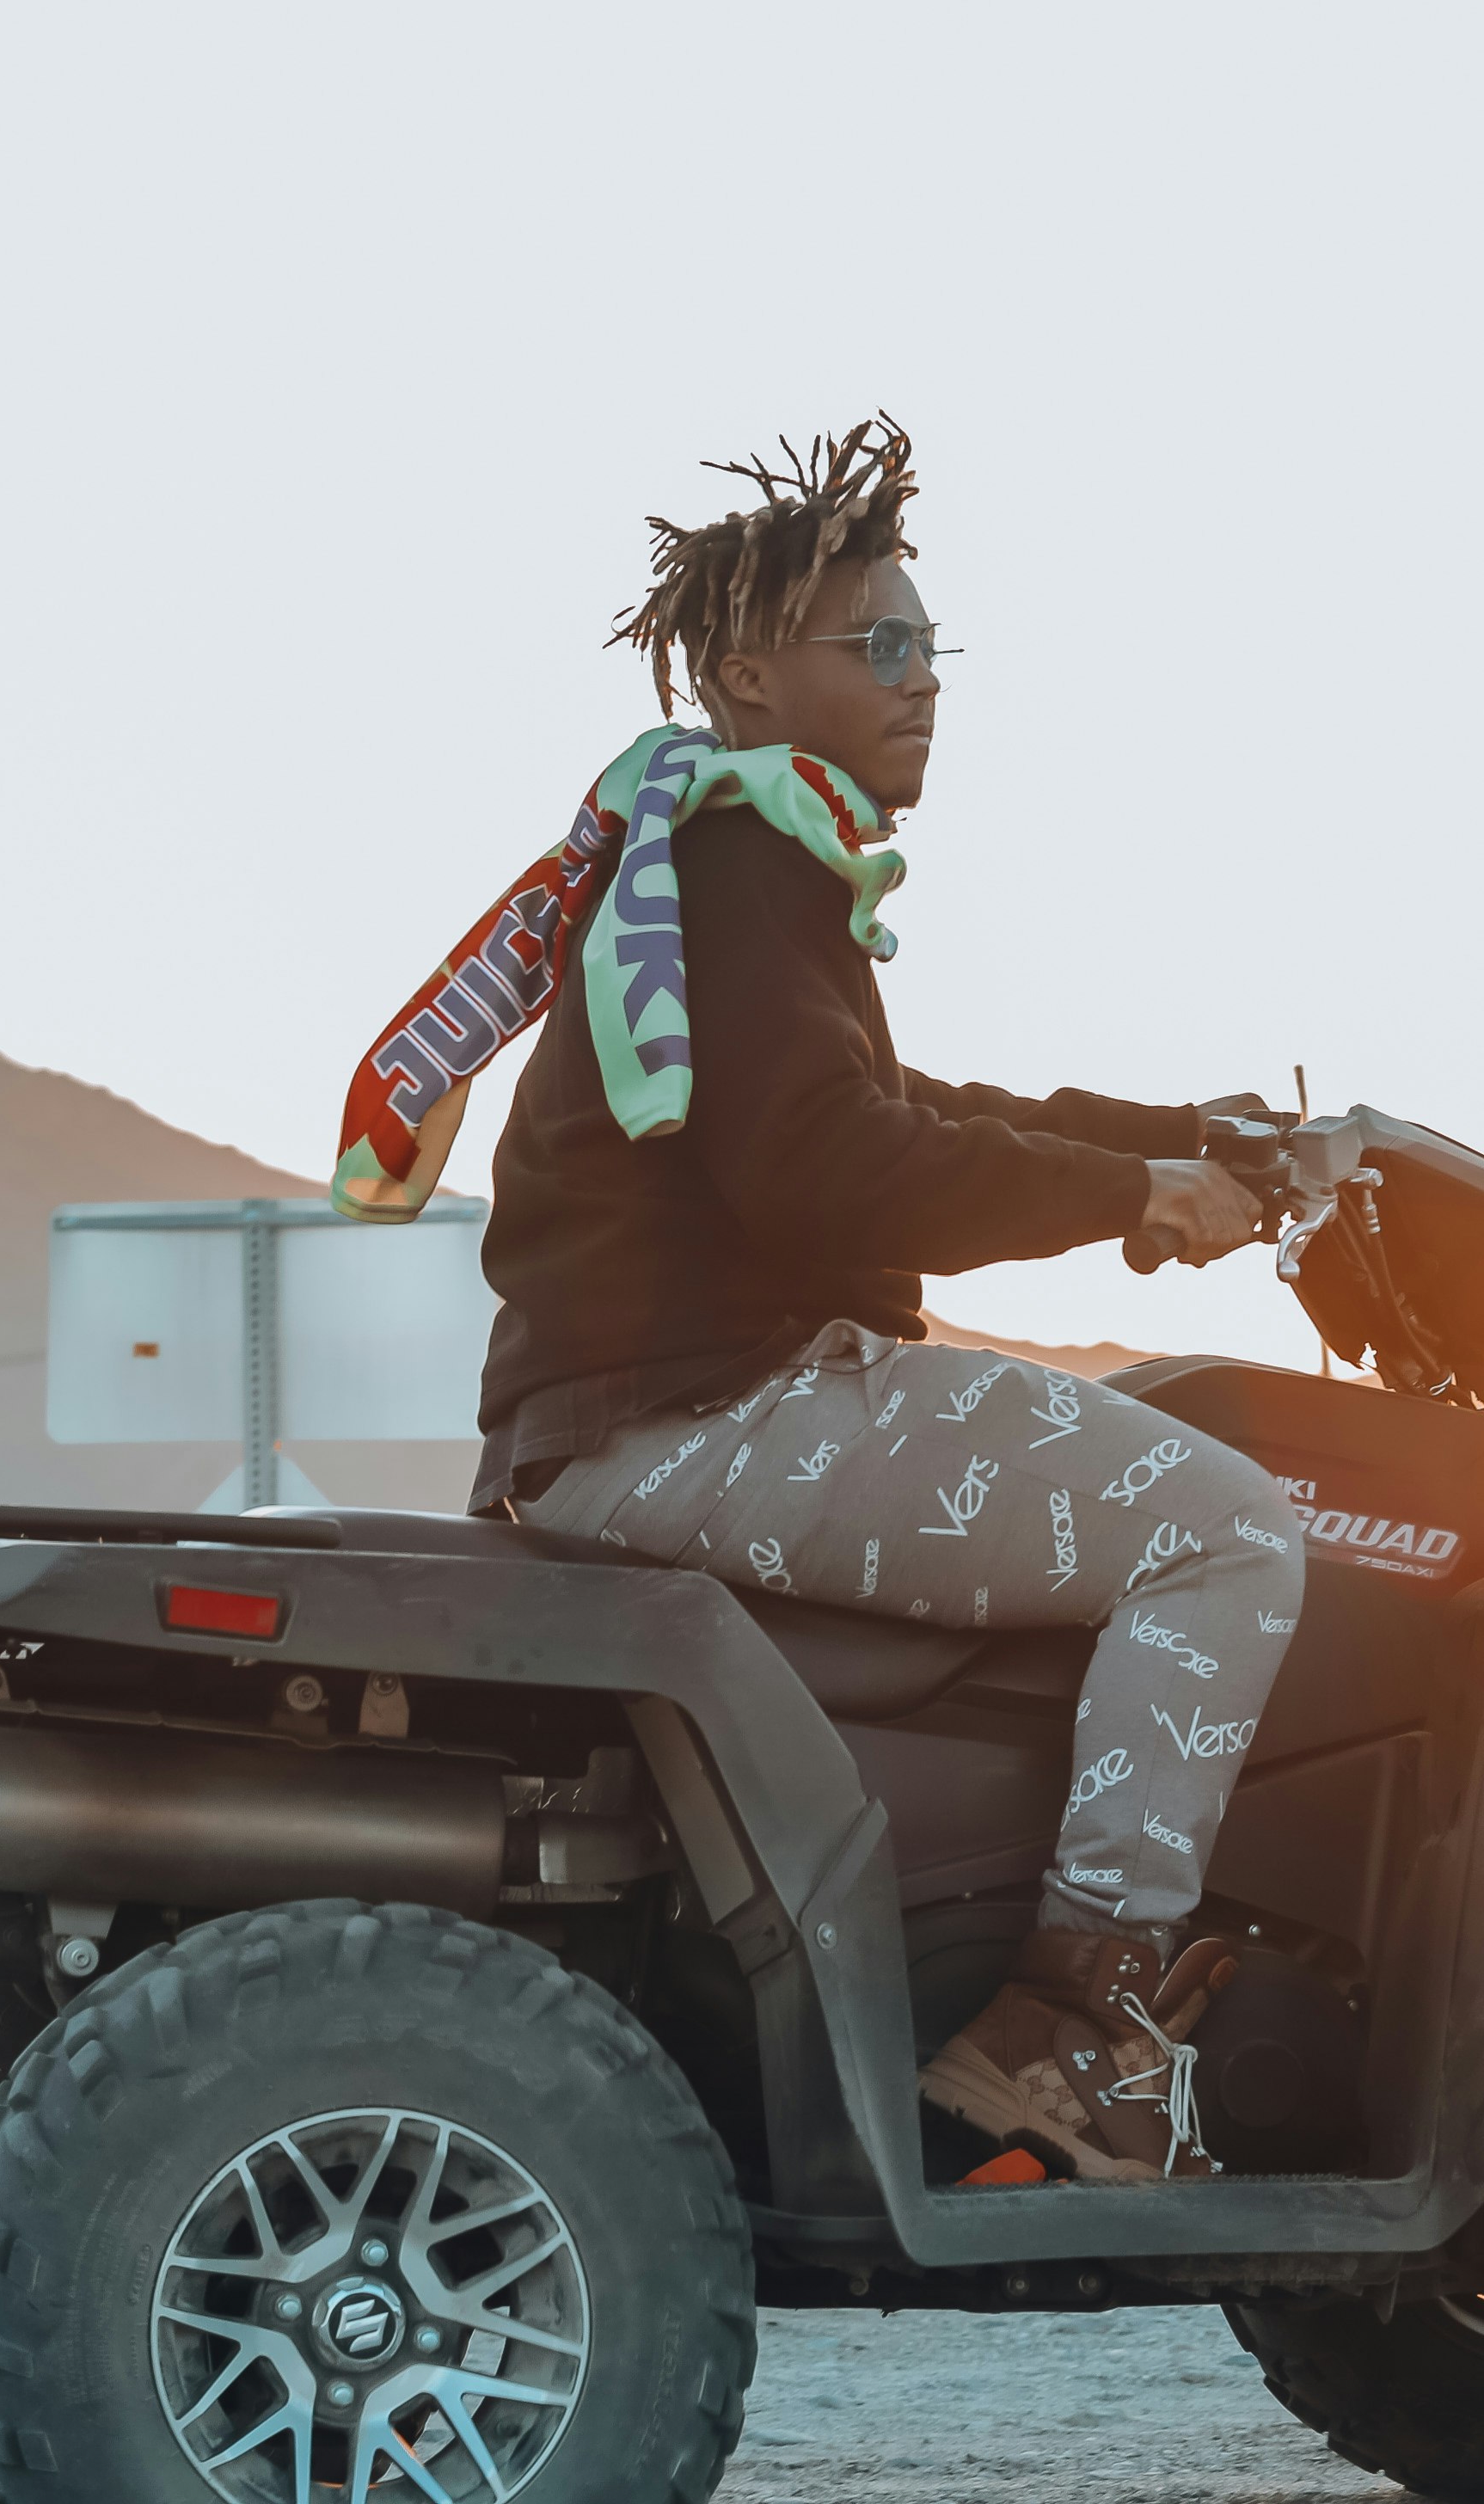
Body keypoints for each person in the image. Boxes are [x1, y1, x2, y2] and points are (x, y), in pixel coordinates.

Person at [331, 419, 1303, 2180]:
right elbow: (838, 1166)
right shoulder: (738, 859)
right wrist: (1130, 1198)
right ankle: (1078, 2030)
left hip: (643, 1418)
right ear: (751, 674)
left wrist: (1187, 1138)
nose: (926, 684)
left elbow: (909, 1117)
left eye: (938, 649)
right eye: (889, 647)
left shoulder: (721, 860)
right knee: (1225, 1529)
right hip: (710, 1412)